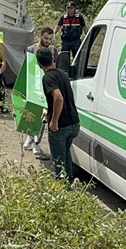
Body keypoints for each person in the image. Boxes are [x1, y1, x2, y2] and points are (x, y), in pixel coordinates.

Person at [39, 47, 81, 184]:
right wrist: (49, 110)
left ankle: (61, 185)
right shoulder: (62, 74)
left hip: (61, 126)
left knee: (58, 160)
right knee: (66, 153)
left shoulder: (48, 78)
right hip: (74, 122)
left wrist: (54, 121)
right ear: (53, 59)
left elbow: (58, 98)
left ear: (39, 64)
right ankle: (69, 182)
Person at [22, 27, 57, 159]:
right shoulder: (31, 49)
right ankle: (30, 136)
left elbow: (55, 67)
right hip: (32, 84)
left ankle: (36, 142)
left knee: (43, 115)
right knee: (31, 112)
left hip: (46, 85)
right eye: (45, 38)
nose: (47, 41)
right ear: (41, 36)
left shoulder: (53, 50)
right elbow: (26, 67)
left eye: (50, 39)